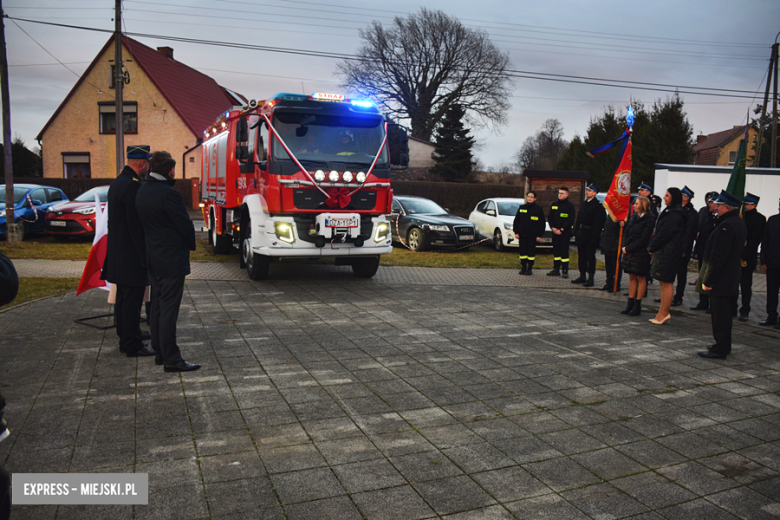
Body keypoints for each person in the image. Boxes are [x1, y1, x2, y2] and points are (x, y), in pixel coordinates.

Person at [136, 151, 201, 372]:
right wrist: (189, 245)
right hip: (171, 259)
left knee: (156, 307)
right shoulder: (168, 194)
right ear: (171, 170)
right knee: (169, 311)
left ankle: (160, 353)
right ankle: (172, 359)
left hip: (153, 257)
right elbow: (184, 225)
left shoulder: (143, 190)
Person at [101, 145, 155, 358]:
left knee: (123, 299)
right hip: (130, 255)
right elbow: (135, 225)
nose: (147, 168)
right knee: (131, 301)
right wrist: (144, 256)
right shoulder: (133, 186)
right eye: (147, 164)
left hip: (118, 252)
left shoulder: (118, 182)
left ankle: (127, 334)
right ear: (142, 163)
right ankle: (132, 344)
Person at [696, 190, 747, 359]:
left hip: (722, 278)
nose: (716, 208)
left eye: (718, 205)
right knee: (724, 315)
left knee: (720, 316)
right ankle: (723, 345)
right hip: (729, 276)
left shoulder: (727, 225)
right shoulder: (735, 222)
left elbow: (718, 256)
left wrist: (708, 280)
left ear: (726, 207)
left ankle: (720, 349)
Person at [647, 188, 686, 325]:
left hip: (670, 252)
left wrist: (652, 247)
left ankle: (664, 312)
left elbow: (664, 234)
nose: (664, 197)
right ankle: (661, 312)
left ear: (674, 198)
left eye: (667, 196)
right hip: (664, 251)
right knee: (662, 282)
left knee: (667, 282)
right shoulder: (669, 212)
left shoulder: (675, 214)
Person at [620, 197, 654, 316]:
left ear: (643, 205)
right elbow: (627, 232)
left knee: (641, 277)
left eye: (637, 203)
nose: (634, 205)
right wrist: (625, 245)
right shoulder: (634, 217)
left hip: (641, 252)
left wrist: (629, 248)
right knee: (632, 277)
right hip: (630, 251)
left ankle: (637, 305)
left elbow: (644, 238)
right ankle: (629, 303)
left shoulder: (649, 219)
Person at [736, 193, 766, 322]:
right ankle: (732, 307)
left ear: (754, 205)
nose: (744, 206)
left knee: (746, 286)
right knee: (732, 284)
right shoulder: (740, 217)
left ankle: (745, 310)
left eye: (747, 204)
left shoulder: (759, 219)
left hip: (747, 258)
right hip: (735, 257)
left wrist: (744, 255)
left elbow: (755, 240)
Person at [572, 184, 605, 287]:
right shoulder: (584, 204)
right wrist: (575, 231)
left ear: (595, 193)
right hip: (581, 234)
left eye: (590, 191)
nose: (587, 192)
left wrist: (594, 237)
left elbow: (598, 223)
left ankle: (591, 278)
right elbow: (579, 219)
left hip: (590, 235)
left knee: (590, 257)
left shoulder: (597, 206)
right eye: (587, 190)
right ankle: (582, 275)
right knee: (581, 257)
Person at [690, 193, 719, 311]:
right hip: (703, 251)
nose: (709, 204)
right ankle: (703, 302)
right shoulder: (705, 213)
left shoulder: (719, 218)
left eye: (711, 202)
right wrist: (696, 251)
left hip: (713, 253)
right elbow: (700, 233)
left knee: (711, 279)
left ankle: (713, 305)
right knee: (702, 277)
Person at [671, 186, 699, 306]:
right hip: (672, 246)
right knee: (670, 273)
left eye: (683, 195)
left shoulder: (691, 213)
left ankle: (678, 297)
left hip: (682, 248)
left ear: (687, 198)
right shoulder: (675, 209)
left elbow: (689, 233)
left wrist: (684, 249)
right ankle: (667, 295)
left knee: (681, 275)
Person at [513, 190, 546, 275]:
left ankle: (530, 268)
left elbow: (541, 223)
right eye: (528, 197)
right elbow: (516, 221)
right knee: (522, 252)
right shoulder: (522, 208)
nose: (530, 198)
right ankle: (523, 267)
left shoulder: (538, 209)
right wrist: (516, 232)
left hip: (532, 235)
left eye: (532, 197)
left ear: (535, 198)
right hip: (522, 235)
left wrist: (539, 235)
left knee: (531, 252)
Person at [759, 197, 780, 329]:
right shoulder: (772, 220)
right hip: (772, 262)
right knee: (771, 292)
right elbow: (765, 241)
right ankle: (771, 316)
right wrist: (763, 260)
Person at [547, 187, 576, 278]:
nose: (560, 194)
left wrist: (562, 229)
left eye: (562, 193)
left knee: (564, 252)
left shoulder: (570, 206)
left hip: (565, 233)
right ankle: (556, 269)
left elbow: (571, 219)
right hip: (555, 232)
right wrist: (553, 228)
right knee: (556, 251)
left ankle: (565, 270)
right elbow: (550, 217)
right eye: (559, 193)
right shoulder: (554, 204)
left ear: (567, 194)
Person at [599, 216, 624, 292]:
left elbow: (620, 233)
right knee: (608, 265)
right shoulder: (609, 216)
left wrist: (616, 245)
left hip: (614, 246)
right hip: (607, 244)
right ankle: (609, 283)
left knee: (615, 266)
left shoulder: (619, 216)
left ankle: (616, 284)